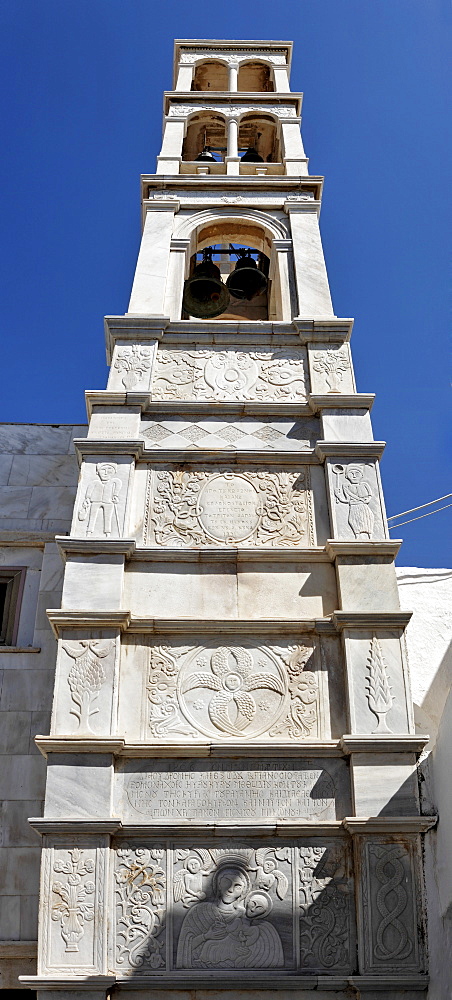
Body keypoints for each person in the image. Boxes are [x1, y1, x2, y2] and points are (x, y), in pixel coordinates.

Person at [176, 864, 284, 969]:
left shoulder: (244, 916)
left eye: (237, 886)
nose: (230, 889)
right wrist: (206, 936)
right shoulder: (199, 911)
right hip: (201, 968)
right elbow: (184, 948)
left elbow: (250, 943)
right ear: (218, 884)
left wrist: (247, 952)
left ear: (243, 891)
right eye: (226, 882)